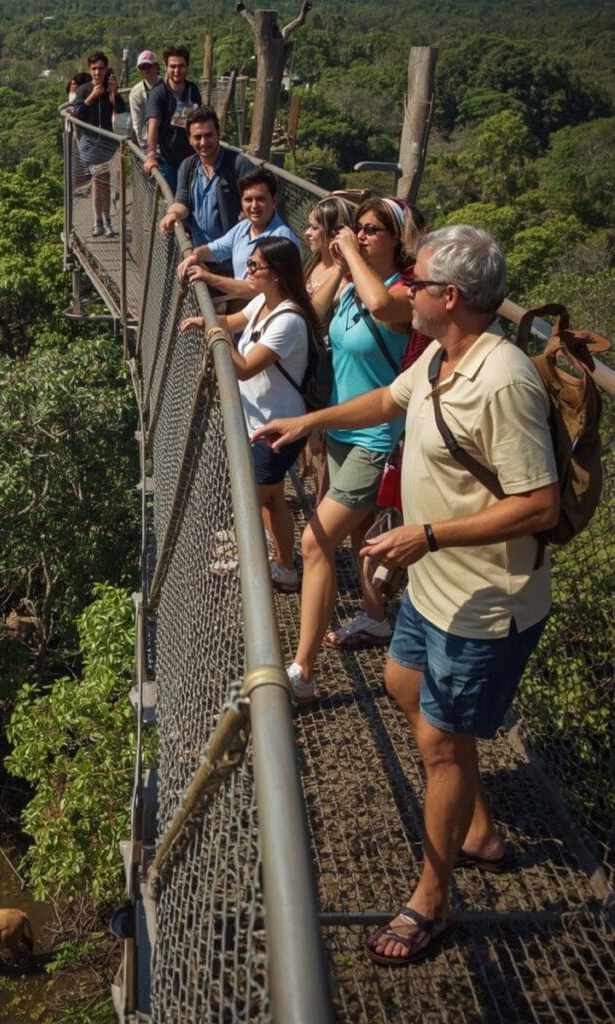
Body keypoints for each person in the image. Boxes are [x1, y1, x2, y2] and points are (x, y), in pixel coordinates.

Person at [253, 224, 559, 967]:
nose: (406, 292)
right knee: (401, 680)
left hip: (484, 597)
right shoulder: (438, 358)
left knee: (442, 744)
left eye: (416, 283)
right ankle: (478, 829)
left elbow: (541, 504)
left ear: (447, 297)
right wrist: (310, 420)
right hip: (436, 585)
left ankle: (433, 898)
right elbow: (387, 401)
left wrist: (425, 537)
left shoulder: (504, 378)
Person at [267, 197, 416, 700]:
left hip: (377, 439)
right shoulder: (352, 281)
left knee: (316, 542)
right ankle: (377, 618)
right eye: (360, 228)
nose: (363, 235)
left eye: (374, 230)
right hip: (342, 431)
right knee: (354, 540)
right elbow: (317, 311)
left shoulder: (405, 293)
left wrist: (351, 255)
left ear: (398, 239)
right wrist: (341, 264)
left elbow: (380, 308)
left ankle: (303, 672)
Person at [181, 237, 322, 589]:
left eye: (255, 266)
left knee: (248, 500)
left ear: (276, 274)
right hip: (257, 421)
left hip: (277, 427)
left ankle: (250, 558)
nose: (249, 271)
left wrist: (220, 340)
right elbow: (236, 320)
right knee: (272, 499)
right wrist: (208, 322)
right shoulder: (263, 300)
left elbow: (244, 368)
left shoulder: (288, 320)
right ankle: (286, 568)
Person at [176, 168, 301, 307]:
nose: (254, 206)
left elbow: (256, 290)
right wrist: (196, 255)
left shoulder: (282, 239)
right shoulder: (243, 227)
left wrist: (208, 278)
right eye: (248, 200)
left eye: (260, 199)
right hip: (243, 312)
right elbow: (214, 249)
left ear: (274, 201)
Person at [301, 194, 356, 500]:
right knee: (311, 445)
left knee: (321, 448)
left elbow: (315, 316)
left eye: (314, 228)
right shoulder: (312, 264)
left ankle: (321, 515)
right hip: (309, 365)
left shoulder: (346, 277)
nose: (307, 233)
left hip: (329, 373)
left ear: (332, 232)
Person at [159, 106, 254, 250]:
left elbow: (261, 199)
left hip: (233, 255)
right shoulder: (188, 166)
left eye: (209, 135)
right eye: (197, 137)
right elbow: (182, 202)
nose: (203, 143)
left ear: (218, 134)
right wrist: (173, 214)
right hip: (201, 254)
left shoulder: (238, 165)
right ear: (189, 139)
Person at [73, 50, 126, 238]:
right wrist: (91, 98)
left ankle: (104, 221)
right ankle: (101, 221)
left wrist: (114, 94)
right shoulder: (84, 90)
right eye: (94, 69)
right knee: (99, 180)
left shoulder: (110, 87)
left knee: (104, 181)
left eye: (101, 68)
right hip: (90, 141)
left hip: (109, 141)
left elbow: (121, 112)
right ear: (89, 69)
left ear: (106, 69)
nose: (97, 73)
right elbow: (78, 114)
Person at [142, 46, 202, 191]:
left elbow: (200, 120)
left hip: (191, 158)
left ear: (187, 66)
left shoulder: (192, 90)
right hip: (167, 160)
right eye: (173, 66)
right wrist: (151, 155)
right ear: (166, 67)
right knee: (172, 201)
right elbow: (153, 126)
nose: (177, 71)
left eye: (181, 66)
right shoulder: (158, 93)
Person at [128, 50, 160, 147]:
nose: (146, 70)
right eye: (142, 67)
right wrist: (142, 142)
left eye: (148, 66)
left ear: (156, 66)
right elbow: (136, 121)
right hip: (147, 140)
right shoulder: (136, 92)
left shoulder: (167, 86)